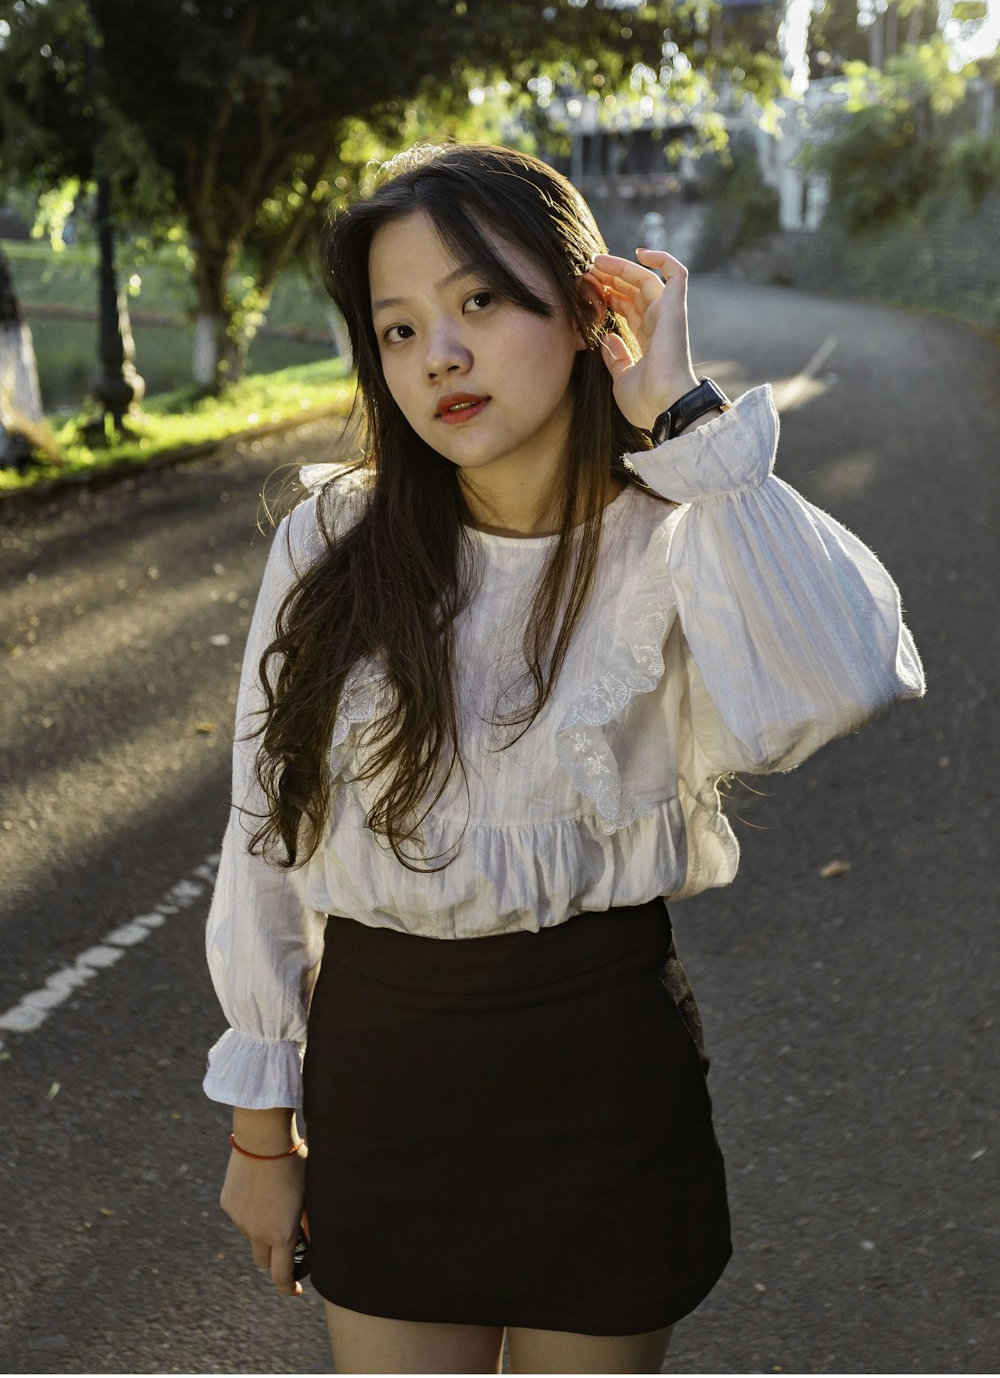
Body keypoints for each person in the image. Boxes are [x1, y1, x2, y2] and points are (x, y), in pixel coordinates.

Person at [202, 141, 924, 1375]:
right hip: (387, 1079)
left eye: (479, 300)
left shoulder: (684, 529)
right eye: (397, 328)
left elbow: (845, 672)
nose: (439, 354)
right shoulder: (334, 539)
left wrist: (683, 416)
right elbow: (268, 826)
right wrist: (260, 1136)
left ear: (589, 304)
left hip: (599, 1077)